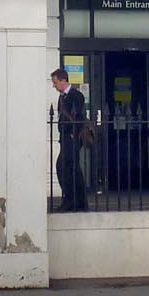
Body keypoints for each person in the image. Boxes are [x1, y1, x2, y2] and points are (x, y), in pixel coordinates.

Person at [51, 68, 87, 212]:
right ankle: (78, 201)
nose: (54, 85)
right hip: (65, 138)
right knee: (72, 168)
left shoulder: (76, 95)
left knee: (64, 167)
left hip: (72, 138)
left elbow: (79, 116)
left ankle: (71, 200)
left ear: (63, 80)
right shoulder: (62, 97)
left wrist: (74, 134)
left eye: (55, 82)